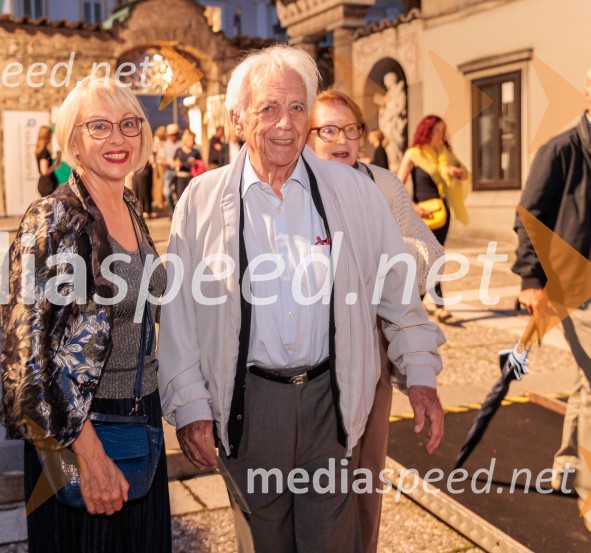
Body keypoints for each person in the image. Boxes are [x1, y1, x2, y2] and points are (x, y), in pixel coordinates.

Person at [158, 45, 445, 553]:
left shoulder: (354, 193)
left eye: (296, 108)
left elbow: (397, 292)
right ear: (236, 119)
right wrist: (190, 405)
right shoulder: (199, 202)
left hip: (330, 400)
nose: (285, 124)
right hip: (247, 406)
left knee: (332, 541)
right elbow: (180, 318)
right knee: (261, 542)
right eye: (268, 108)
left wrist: (420, 374)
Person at [0, 76, 171, 552]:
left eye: (129, 124)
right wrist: (88, 454)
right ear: (72, 140)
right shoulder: (53, 219)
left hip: (140, 417)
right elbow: (25, 360)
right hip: (82, 428)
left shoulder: (129, 205)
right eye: (99, 126)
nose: (118, 138)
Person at [307, 89, 444, 553]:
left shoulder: (380, 182)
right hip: (309, 351)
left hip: (373, 342)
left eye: (351, 130)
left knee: (365, 472)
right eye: (328, 130)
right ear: (306, 136)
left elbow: (430, 254)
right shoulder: (295, 187)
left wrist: (384, 255)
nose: (342, 140)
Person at [513, 58, 591, 547]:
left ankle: (569, 464)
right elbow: (530, 215)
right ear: (588, 93)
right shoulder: (562, 148)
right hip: (577, 280)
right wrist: (531, 278)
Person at [397, 115, 469, 323]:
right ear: (427, 130)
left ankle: (423, 305)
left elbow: (465, 173)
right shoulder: (414, 154)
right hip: (422, 215)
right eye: (437, 130)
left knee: (436, 257)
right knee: (426, 258)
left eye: (443, 130)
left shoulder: (443, 154)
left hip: (442, 212)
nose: (441, 135)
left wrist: (457, 173)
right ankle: (426, 304)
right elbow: (398, 184)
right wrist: (414, 207)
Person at [171, 129, 202, 201]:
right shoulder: (179, 151)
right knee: (180, 198)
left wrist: (195, 162)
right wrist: (176, 163)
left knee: (190, 198)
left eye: (192, 140)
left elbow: (201, 163)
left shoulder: (195, 152)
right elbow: (173, 162)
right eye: (190, 140)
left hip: (191, 177)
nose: (191, 142)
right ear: (185, 140)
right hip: (180, 178)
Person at [157, 123, 180, 214]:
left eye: (175, 134)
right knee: (167, 192)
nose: (173, 136)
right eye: (171, 135)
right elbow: (160, 159)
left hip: (180, 171)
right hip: (169, 171)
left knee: (179, 193)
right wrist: (170, 162)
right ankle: (172, 211)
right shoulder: (165, 145)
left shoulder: (181, 144)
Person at [35, 125, 61, 197]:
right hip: (48, 185)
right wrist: (55, 166)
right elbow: (44, 171)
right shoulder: (44, 152)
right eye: (50, 134)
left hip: (45, 184)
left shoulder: (39, 150)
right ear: (47, 136)